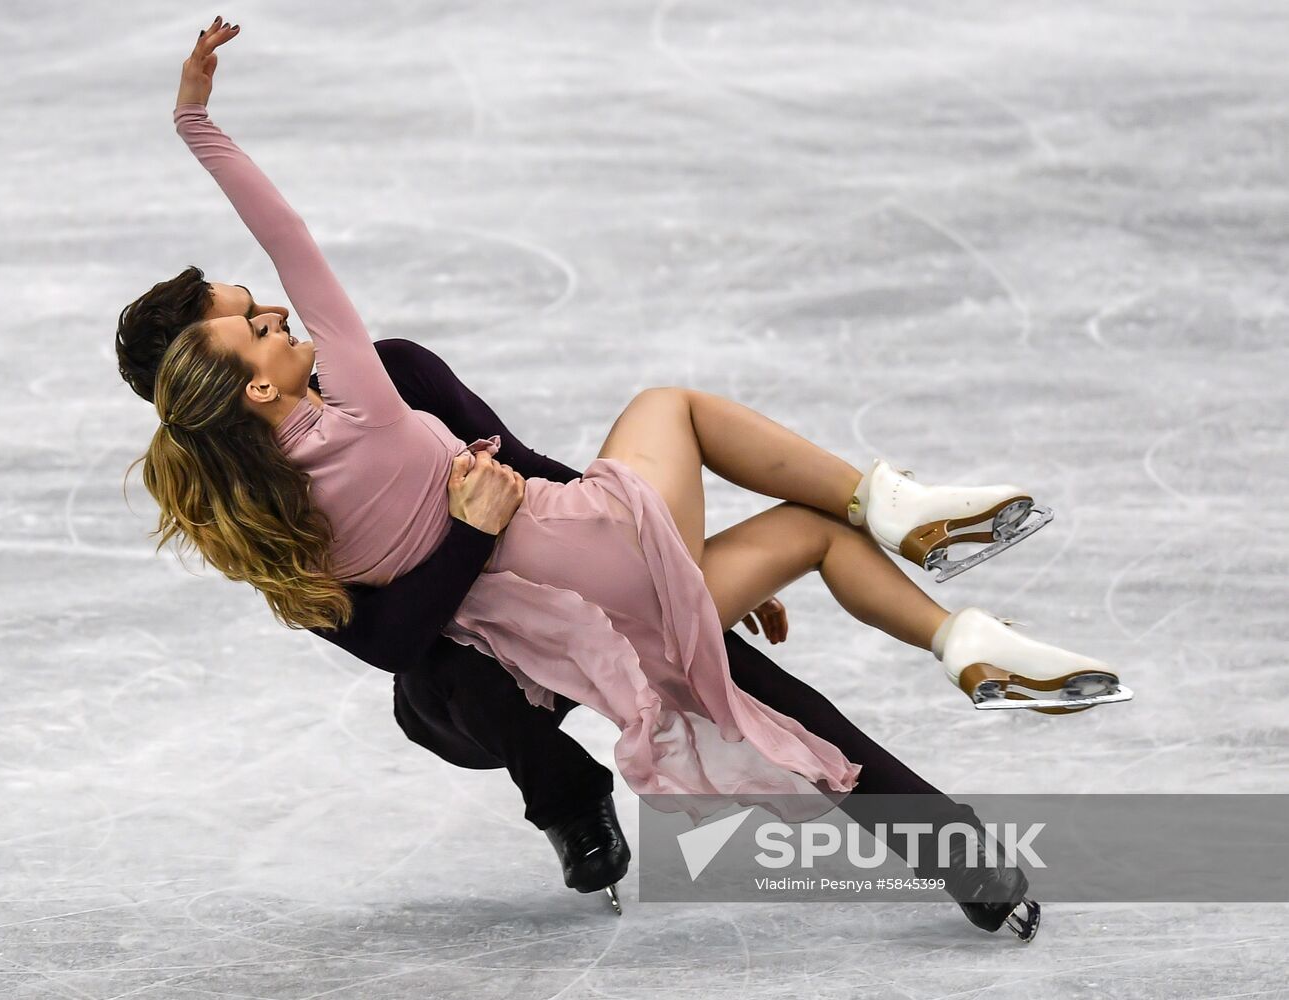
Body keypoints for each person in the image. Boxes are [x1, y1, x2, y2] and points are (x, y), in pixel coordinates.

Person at [129, 17, 1115, 936]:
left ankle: (950, 683)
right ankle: (908, 566)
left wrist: (612, 552)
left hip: (553, 635)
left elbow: (475, 513)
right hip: (552, 603)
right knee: (673, 418)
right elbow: (288, 236)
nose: (281, 319)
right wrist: (197, 122)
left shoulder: (252, 522)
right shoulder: (374, 391)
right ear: (249, 386)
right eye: (259, 324)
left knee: (749, 630)